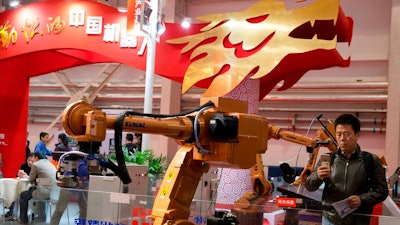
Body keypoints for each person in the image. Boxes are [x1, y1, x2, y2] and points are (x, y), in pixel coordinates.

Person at [305, 114, 388, 225]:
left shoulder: (370, 160)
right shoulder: (329, 159)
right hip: (330, 219)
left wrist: (361, 199)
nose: (342, 139)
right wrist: (318, 176)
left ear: (357, 135)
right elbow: (309, 186)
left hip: (359, 220)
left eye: (347, 134)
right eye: (338, 134)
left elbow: (382, 191)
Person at [19, 151, 57, 225]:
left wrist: (29, 178)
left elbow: (30, 180)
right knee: (33, 190)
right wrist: (36, 181)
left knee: (23, 195)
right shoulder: (50, 164)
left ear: (36, 157)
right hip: (53, 192)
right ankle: (41, 216)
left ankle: (24, 220)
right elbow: (47, 181)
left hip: (44, 192)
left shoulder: (36, 164)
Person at [50, 158, 89, 225]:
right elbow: (83, 176)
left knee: (84, 209)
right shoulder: (82, 164)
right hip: (68, 188)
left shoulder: (82, 162)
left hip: (77, 189)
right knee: (59, 210)